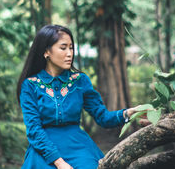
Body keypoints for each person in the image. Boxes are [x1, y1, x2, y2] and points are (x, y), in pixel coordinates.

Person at [17, 24, 140, 169]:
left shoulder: (80, 80)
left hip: (78, 147)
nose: (69, 53)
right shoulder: (30, 85)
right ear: (46, 52)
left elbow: (102, 117)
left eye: (71, 47)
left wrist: (128, 114)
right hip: (44, 150)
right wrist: (59, 162)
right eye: (63, 48)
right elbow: (34, 130)